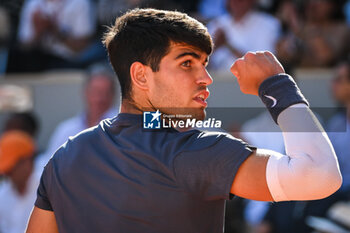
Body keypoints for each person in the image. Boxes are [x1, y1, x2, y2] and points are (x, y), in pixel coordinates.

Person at [26, 9, 341, 233]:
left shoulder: (63, 157)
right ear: (140, 75)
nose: (205, 78)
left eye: (204, 64)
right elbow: (320, 175)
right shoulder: (193, 150)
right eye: (187, 63)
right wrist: (276, 84)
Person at [40, 63, 118, 164]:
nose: (100, 98)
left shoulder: (124, 128)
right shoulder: (66, 129)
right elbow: (48, 164)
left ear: (113, 95)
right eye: (96, 92)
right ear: (85, 92)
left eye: (105, 93)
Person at [207, 0, 281, 70]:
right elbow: (203, 67)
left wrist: (228, 45)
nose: (235, 2)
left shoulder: (268, 24)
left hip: (253, 82)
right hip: (218, 81)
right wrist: (213, 49)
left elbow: (264, 67)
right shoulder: (216, 24)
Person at [0, 131, 39, 233]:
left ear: (27, 161)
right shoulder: (3, 194)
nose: (8, 175)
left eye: (11, 169)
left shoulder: (49, 187)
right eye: (7, 171)